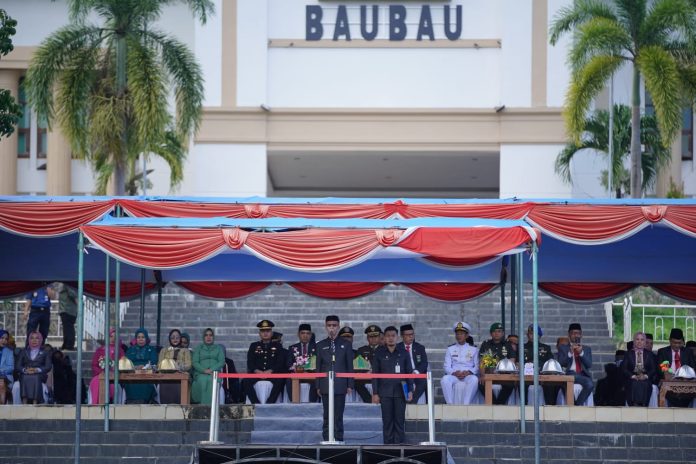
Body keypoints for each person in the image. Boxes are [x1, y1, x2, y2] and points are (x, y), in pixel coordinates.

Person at [315, 315, 354, 443]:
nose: (332, 328)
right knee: (327, 415)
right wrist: (318, 385)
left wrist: (350, 384)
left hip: (340, 384)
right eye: (329, 326)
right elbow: (318, 367)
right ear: (326, 327)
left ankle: (339, 439)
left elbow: (349, 366)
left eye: (334, 325)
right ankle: (326, 439)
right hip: (326, 384)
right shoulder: (320, 345)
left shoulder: (346, 344)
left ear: (338, 326)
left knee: (338, 415)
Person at [372, 326, 413, 444]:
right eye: (388, 336)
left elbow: (409, 372)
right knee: (387, 421)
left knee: (399, 421)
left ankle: (400, 447)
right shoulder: (379, 353)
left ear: (397, 337)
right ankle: (388, 447)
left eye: (393, 336)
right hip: (384, 393)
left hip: (401, 392)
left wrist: (410, 390)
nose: (390, 338)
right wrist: (375, 393)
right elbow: (375, 374)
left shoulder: (404, 353)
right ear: (384, 338)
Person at [243, 320, 286, 404]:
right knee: (245, 381)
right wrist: (257, 371)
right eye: (263, 331)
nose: (265, 333)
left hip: (271, 374)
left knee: (280, 380)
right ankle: (256, 404)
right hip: (257, 373)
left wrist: (270, 371)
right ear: (259, 333)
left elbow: (280, 362)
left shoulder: (278, 346)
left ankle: (270, 403)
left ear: (272, 333)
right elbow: (250, 362)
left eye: (268, 331)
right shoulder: (254, 345)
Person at [441, 322, 479, 405]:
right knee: (445, 379)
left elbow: (477, 366)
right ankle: (450, 403)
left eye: (461, 334)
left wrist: (469, 372)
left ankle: (466, 404)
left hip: (468, 375)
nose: (459, 336)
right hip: (455, 375)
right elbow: (446, 366)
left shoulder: (474, 349)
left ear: (467, 336)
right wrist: (454, 372)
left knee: (474, 379)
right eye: (457, 334)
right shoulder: (450, 349)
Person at [656, 328, 696, 407]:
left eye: (679, 343)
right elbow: (661, 368)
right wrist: (666, 373)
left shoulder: (688, 352)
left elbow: (693, 368)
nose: (677, 345)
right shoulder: (663, 352)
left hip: (685, 382)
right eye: (674, 343)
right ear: (670, 341)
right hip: (669, 381)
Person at [478, 322, 516, 404]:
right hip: (489, 374)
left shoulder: (508, 345)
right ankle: (495, 404)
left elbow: (512, 361)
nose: (497, 333)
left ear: (502, 333)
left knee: (510, 385)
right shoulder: (486, 344)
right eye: (494, 331)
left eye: (499, 331)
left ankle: (498, 404)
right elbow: (482, 362)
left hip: (504, 375)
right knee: (481, 384)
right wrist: (482, 375)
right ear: (491, 333)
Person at [557, 323, 594, 406]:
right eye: (573, 333)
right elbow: (560, 363)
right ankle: (575, 405)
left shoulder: (587, 349)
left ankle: (577, 404)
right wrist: (570, 353)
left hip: (582, 375)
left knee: (590, 384)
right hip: (569, 374)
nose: (576, 335)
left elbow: (589, 365)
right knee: (564, 385)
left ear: (581, 335)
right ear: (569, 334)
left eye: (578, 333)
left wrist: (581, 353)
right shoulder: (563, 348)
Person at [523, 324, 558, 405]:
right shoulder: (521, 347)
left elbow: (550, 362)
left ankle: (550, 407)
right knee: (521, 384)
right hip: (526, 375)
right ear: (527, 335)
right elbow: (518, 362)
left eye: (535, 334)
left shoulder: (546, 348)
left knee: (551, 385)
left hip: (542, 375)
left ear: (539, 336)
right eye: (531, 333)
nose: (533, 336)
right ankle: (524, 407)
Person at [89, 328, 124, 404]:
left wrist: (114, 372)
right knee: (96, 381)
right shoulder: (100, 350)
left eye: (115, 337)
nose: (113, 339)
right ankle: (97, 404)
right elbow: (94, 365)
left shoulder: (120, 351)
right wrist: (102, 373)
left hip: (115, 377)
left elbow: (123, 365)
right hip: (100, 375)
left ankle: (109, 402)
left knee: (112, 385)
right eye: (110, 336)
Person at [15, 331, 52, 404]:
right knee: (25, 376)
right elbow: (18, 366)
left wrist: (37, 370)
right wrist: (25, 370)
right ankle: (24, 401)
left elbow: (48, 366)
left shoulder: (45, 352)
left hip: (40, 375)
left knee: (35, 377)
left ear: (40, 340)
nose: (34, 340)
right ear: (29, 340)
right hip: (25, 373)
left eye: (37, 338)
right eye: (32, 338)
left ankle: (35, 401)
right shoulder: (23, 352)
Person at [124, 328, 158, 404]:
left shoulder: (151, 350)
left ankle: (147, 400)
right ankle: (131, 401)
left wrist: (144, 366)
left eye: (143, 337)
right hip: (132, 374)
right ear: (136, 339)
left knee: (146, 383)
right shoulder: (130, 350)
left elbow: (154, 361)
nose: (141, 339)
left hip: (147, 374)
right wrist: (134, 367)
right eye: (138, 337)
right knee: (129, 382)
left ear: (146, 338)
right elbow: (126, 362)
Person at [621, 332, 656, 406]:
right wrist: (633, 376)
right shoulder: (628, 354)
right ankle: (634, 405)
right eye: (637, 339)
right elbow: (624, 369)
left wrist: (645, 376)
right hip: (632, 378)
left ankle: (644, 406)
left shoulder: (649, 354)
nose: (639, 342)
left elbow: (653, 369)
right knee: (634, 383)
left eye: (642, 340)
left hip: (645, 378)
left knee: (645, 384)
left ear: (644, 342)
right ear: (634, 341)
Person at [191, 328, 225, 404]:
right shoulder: (199, 348)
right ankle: (204, 406)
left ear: (213, 337)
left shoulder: (218, 348)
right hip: (201, 373)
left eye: (210, 335)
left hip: (214, 374)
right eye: (206, 335)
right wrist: (204, 370)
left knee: (212, 380)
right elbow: (195, 362)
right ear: (203, 337)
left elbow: (222, 361)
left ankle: (210, 407)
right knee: (202, 380)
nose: (208, 337)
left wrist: (211, 369)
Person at [158, 329, 192, 404]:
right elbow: (159, 365)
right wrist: (168, 367)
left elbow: (189, 365)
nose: (175, 339)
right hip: (166, 378)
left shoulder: (185, 351)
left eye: (177, 337)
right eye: (173, 337)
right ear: (169, 339)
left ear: (180, 339)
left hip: (180, 377)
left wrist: (178, 367)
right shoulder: (164, 350)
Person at [397, 323, 428, 404]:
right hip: (403, 374)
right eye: (408, 335)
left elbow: (424, 363)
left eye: (412, 334)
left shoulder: (420, 347)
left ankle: (413, 401)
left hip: (416, 373)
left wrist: (416, 372)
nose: (411, 336)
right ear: (402, 336)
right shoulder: (397, 348)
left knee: (423, 381)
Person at [287, 323, 318, 402]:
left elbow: (318, 364)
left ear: (311, 335)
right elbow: (289, 364)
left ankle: (312, 404)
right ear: (298, 334)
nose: (305, 336)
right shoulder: (292, 348)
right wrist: (300, 370)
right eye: (303, 333)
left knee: (317, 380)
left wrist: (308, 372)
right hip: (297, 374)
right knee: (289, 379)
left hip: (311, 375)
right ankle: (294, 403)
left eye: (308, 333)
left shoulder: (317, 348)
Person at [355, 324, 382, 403]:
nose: (373, 339)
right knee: (356, 382)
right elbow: (356, 367)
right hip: (366, 378)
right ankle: (369, 400)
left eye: (375, 336)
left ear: (379, 337)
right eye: (371, 337)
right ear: (367, 338)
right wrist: (365, 372)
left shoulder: (384, 350)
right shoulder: (361, 350)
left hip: (380, 378)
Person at [56, 283, 78, 351]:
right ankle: (66, 344)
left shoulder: (68, 283)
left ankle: (68, 345)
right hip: (68, 309)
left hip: (67, 309)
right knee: (67, 327)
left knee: (68, 328)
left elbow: (72, 294)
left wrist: (78, 301)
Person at [0, 329, 14, 404]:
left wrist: (1, 371)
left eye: (6, 339)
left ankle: (1, 408)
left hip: (5, 377)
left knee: (1, 383)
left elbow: (11, 368)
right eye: (2, 338)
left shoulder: (9, 352)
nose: (4, 341)